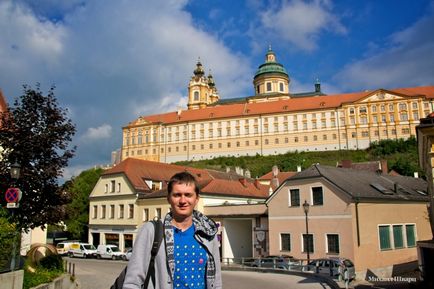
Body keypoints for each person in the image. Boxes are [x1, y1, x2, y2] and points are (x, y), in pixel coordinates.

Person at [123, 171, 222, 289]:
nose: (183, 201)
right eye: (177, 195)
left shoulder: (208, 233)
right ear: (168, 198)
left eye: (188, 195)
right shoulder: (151, 231)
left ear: (196, 199)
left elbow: (216, 281)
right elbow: (133, 281)